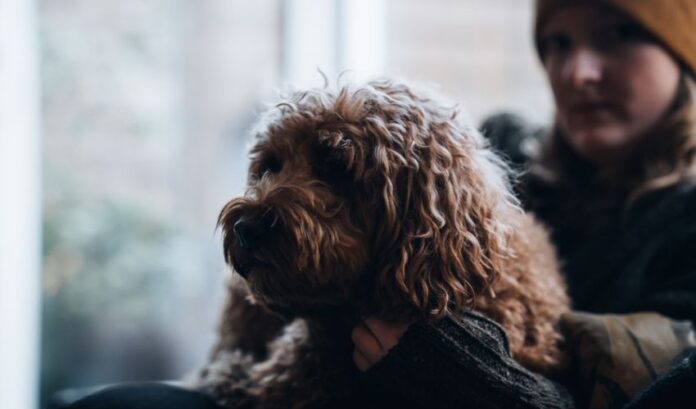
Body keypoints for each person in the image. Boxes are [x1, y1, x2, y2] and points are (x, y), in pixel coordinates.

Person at [352, 1, 696, 408]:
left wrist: (463, 373)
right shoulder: (496, 162)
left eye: (618, 34)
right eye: (558, 42)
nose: (577, 72)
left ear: (681, 50)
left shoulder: (683, 228)